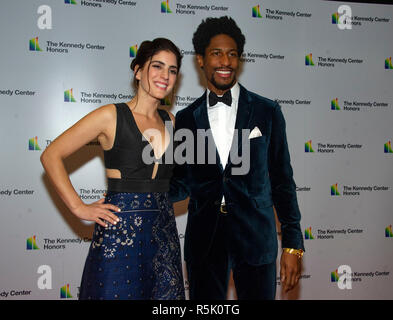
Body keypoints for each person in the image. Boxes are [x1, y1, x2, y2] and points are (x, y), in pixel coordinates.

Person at [169, 16, 305, 300]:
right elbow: (180, 184)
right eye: (216, 53)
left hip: (255, 239)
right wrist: (138, 188)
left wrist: (292, 243)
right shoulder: (185, 119)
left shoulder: (267, 112)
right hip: (204, 242)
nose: (225, 61)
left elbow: (282, 180)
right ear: (200, 60)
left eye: (232, 54)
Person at [40, 38, 185, 300]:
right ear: (138, 71)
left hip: (164, 238)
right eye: (157, 66)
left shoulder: (171, 121)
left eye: (172, 70)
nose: (165, 76)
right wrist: (79, 207)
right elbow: (51, 155)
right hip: (120, 237)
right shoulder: (111, 115)